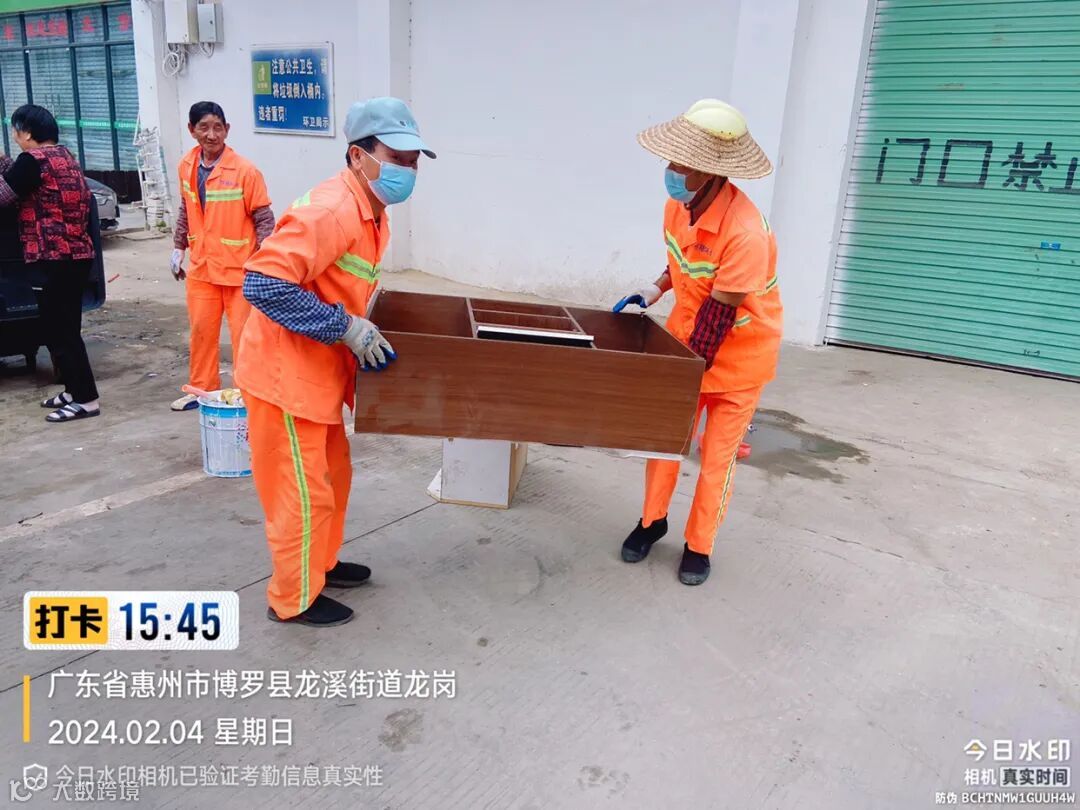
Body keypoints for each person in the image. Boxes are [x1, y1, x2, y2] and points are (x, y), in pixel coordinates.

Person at [235, 97, 435, 627]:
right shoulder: (332, 211)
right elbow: (262, 284)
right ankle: (293, 598)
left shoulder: (371, 211)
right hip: (285, 377)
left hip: (317, 372)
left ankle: (320, 565)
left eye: (413, 162)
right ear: (357, 156)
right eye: (396, 159)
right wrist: (345, 327)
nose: (407, 171)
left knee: (332, 478)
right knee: (301, 493)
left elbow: (340, 284)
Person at [613, 99, 783, 586]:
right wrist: (655, 288)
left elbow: (717, 318)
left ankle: (699, 545)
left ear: (709, 172)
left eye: (680, 164)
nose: (670, 171)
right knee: (665, 442)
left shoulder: (746, 233)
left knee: (716, 459)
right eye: (670, 160)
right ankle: (652, 522)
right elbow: (683, 261)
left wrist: (675, 370)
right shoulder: (678, 205)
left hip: (739, 359)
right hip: (689, 340)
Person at [170, 102, 274, 411]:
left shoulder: (245, 171)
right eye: (204, 127)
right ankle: (201, 389)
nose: (211, 135)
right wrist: (178, 246)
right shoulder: (186, 166)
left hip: (240, 270)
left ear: (227, 130)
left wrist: (263, 263)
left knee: (244, 337)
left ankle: (248, 394)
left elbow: (264, 219)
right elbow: (186, 208)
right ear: (192, 130)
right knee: (201, 332)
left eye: (218, 127)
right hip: (202, 268)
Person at [0, 105, 100, 423]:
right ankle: (72, 390)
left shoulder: (32, 161)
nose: (14, 137)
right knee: (61, 328)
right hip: (76, 256)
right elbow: (20, 177)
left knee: (62, 331)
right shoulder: (63, 156)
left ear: (28, 132)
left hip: (52, 257)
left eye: (16, 130)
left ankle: (86, 400)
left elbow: (4, 195)